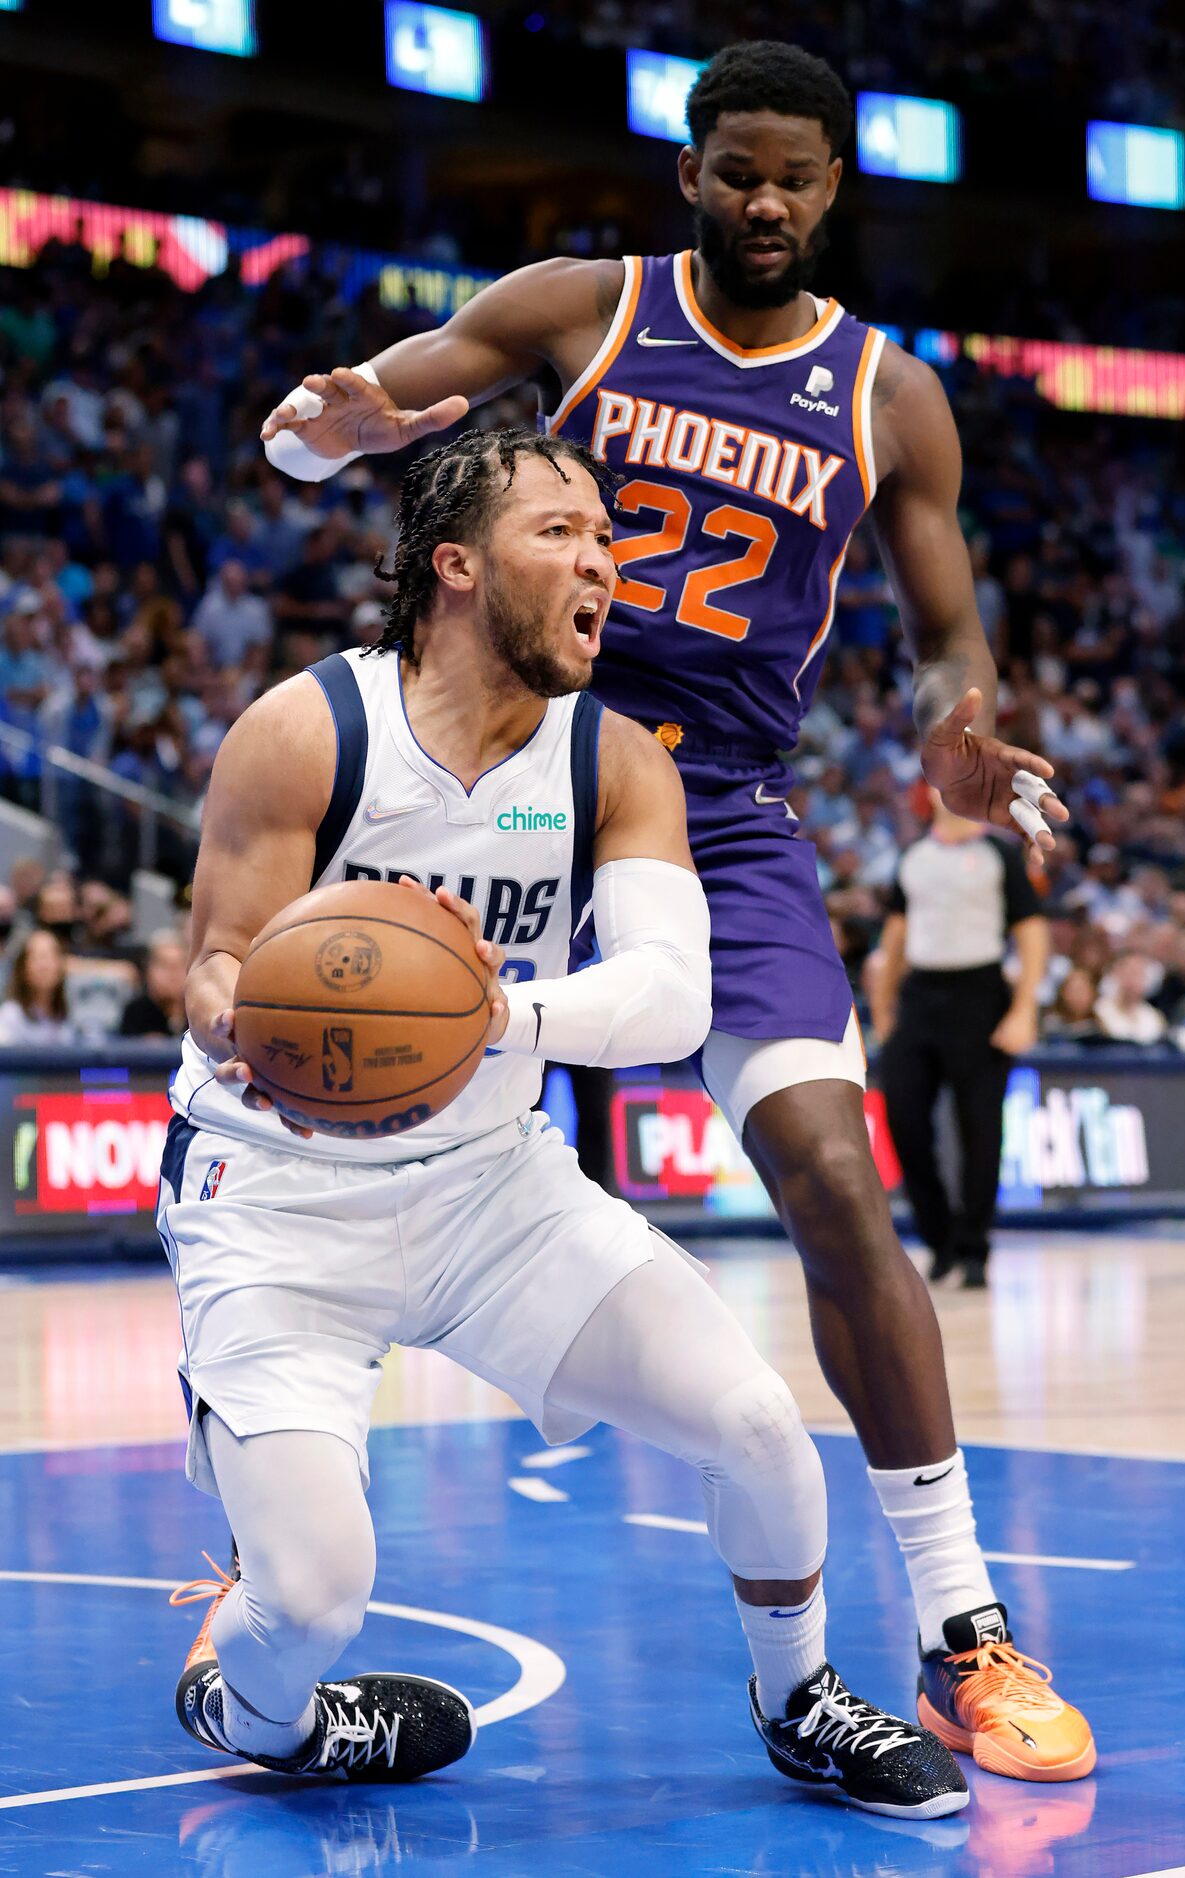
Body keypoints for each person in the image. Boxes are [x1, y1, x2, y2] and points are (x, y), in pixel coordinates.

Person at [258, 42, 1093, 1782]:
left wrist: (956, 718)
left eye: (793, 177)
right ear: (689, 169)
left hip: (713, 804)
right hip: (509, 757)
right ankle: (262, 1550)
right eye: (735, 172)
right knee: (318, 1118)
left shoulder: (890, 396)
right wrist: (321, 428)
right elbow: (374, 409)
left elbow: (948, 624)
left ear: (830, 187)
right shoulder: (585, 308)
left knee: (831, 1175)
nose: (763, 202)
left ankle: (961, 1629)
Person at [164, 430, 966, 1812]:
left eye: (609, 537)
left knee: (759, 1421)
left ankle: (799, 1697)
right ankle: (264, 1713)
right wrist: (252, 1016)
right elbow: (214, 965)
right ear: (456, 566)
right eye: (564, 532)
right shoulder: (310, 728)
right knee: (308, 1600)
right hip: (279, 1196)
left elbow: (667, 998)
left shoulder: (614, 760)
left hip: (492, 1184)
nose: (605, 558)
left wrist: (493, 1018)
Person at [870, 789, 1048, 1288]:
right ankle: (938, 1238)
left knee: (981, 1130)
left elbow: (1032, 932)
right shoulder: (913, 858)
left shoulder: (999, 855)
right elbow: (895, 937)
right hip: (921, 996)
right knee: (902, 1118)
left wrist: (1024, 1008)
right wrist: (884, 1009)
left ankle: (973, 1248)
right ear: (928, 791)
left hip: (981, 992)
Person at [0, 927, 77, 1045]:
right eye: (37, 957)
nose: (44, 966)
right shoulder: (10, 1017)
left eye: (51, 956)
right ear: (22, 968)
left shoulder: (71, 1016)